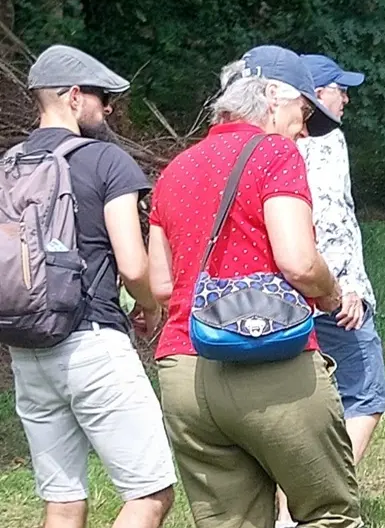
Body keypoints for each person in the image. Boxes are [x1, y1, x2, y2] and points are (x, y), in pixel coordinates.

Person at [147, 45, 364, 528]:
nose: (303, 128)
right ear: (270, 97)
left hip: (185, 371)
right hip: (270, 362)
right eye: (302, 112)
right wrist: (332, 296)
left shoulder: (175, 169)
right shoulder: (274, 153)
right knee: (328, 515)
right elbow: (299, 261)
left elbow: (161, 284)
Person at [7, 45, 176, 528]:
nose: (109, 109)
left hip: (27, 348)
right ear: (75, 96)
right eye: (103, 98)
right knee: (149, 493)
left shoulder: (9, 164)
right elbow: (133, 263)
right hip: (93, 343)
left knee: (62, 504)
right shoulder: (106, 160)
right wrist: (150, 308)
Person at [271, 54, 385, 528]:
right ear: (316, 96)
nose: (346, 97)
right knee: (366, 396)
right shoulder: (327, 142)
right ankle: (321, 502)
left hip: (278, 296)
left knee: (293, 408)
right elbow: (329, 217)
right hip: (328, 292)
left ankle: (285, 508)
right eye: (340, 89)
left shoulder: (271, 146)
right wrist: (348, 290)